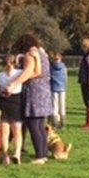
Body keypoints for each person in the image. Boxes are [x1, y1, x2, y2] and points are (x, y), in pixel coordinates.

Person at [9, 35, 53, 165]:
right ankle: (43, 154)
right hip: (44, 91)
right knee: (40, 125)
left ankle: (39, 156)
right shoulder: (42, 53)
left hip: (33, 92)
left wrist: (15, 83)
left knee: (33, 125)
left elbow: (28, 72)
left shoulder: (30, 54)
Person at [0, 55, 24, 165]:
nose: (9, 65)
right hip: (5, 102)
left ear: (14, 63)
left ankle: (16, 154)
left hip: (15, 101)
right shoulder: (0, 76)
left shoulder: (19, 73)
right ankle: (6, 156)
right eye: (8, 63)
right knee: (5, 131)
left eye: (10, 63)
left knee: (15, 130)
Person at [50, 53, 68, 128]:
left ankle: (55, 122)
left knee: (55, 105)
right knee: (62, 105)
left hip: (54, 87)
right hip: (62, 88)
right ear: (61, 58)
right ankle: (63, 123)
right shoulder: (63, 66)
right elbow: (66, 77)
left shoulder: (51, 67)